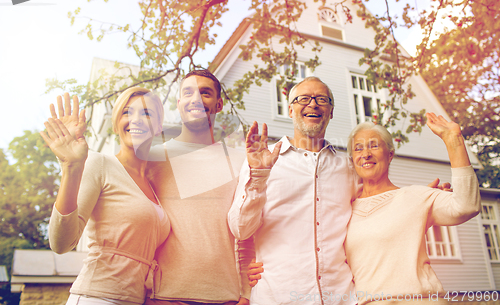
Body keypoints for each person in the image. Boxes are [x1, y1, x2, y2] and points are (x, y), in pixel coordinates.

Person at [228, 77, 360, 304]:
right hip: (279, 297)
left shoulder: (348, 167)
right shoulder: (262, 160)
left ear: (331, 112)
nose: (313, 104)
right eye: (303, 99)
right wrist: (258, 175)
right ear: (290, 110)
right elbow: (240, 230)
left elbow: (374, 210)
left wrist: (415, 196)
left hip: (342, 298)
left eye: (321, 99)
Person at [144, 70, 268, 305]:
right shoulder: (154, 158)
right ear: (179, 102)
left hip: (225, 298)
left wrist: (246, 294)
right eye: (188, 92)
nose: (196, 99)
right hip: (163, 296)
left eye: (205, 93)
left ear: (219, 104)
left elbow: (245, 233)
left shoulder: (240, 160)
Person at [41, 88, 170, 305]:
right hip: (96, 297)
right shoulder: (100, 164)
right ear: (116, 123)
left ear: (158, 127)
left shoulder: (156, 186)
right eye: (127, 112)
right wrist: (72, 167)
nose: (136, 119)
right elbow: (60, 243)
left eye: (146, 113)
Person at [343, 113, 480, 304]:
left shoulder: (416, 196)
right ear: (352, 160)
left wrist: (453, 140)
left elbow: (467, 206)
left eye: (374, 145)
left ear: (390, 155)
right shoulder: (344, 212)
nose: (366, 153)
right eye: (358, 148)